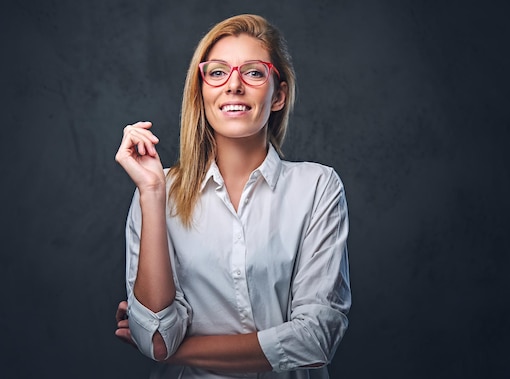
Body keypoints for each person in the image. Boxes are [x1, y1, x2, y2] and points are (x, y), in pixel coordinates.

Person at [113, 14, 351, 378]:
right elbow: (159, 334)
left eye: (253, 72)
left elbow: (315, 338)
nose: (234, 86)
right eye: (218, 72)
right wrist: (151, 193)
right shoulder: (159, 191)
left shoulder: (317, 188)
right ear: (202, 90)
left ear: (278, 96)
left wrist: (173, 352)